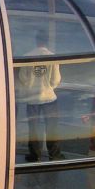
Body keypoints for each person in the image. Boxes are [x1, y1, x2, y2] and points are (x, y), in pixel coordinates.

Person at [18, 30, 63, 162]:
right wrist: (48, 88)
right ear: (47, 42)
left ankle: (34, 155)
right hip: (49, 98)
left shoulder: (27, 56)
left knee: (34, 129)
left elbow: (23, 78)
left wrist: (31, 87)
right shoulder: (52, 57)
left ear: (36, 41)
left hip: (32, 100)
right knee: (51, 128)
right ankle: (53, 155)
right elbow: (55, 80)